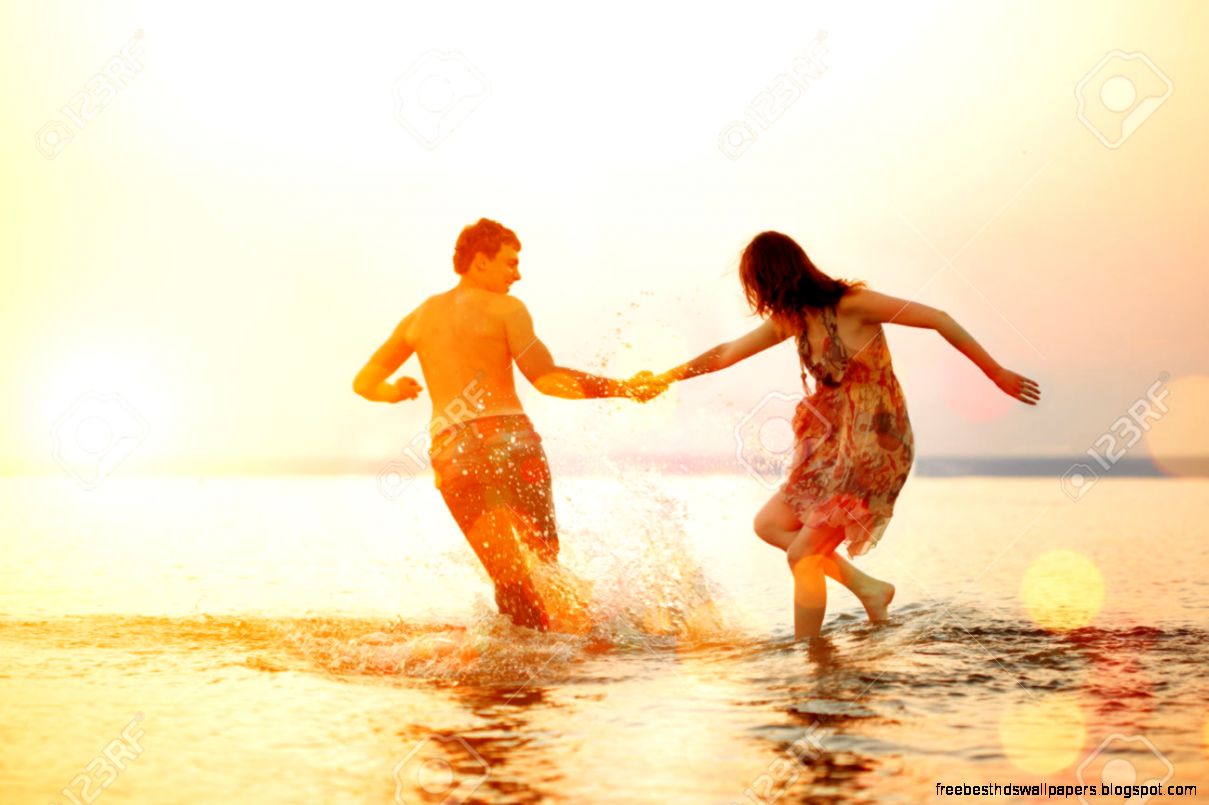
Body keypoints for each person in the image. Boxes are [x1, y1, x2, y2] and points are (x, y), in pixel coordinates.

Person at [652, 231, 1040, 640]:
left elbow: (937, 318)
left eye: (757, 285)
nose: (759, 297)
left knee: (803, 554)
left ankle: (809, 655)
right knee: (769, 524)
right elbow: (724, 353)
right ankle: (868, 589)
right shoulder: (792, 320)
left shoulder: (854, 305)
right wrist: (663, 378)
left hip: (875, 446)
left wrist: (995, 372)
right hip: (833, 446)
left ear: (771, 279)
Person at [353, 218, 661, 633]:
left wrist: (396, 391)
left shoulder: (419, 317)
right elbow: (546, 378)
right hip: (510, 442)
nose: (518, 274)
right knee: (546, 565)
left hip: (453, 453)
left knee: (511, 580)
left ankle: (513, 672)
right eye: (510, 263)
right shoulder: (507, 309)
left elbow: (364, 383)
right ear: (480, 261)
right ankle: (573, 653)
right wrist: (623, 388)